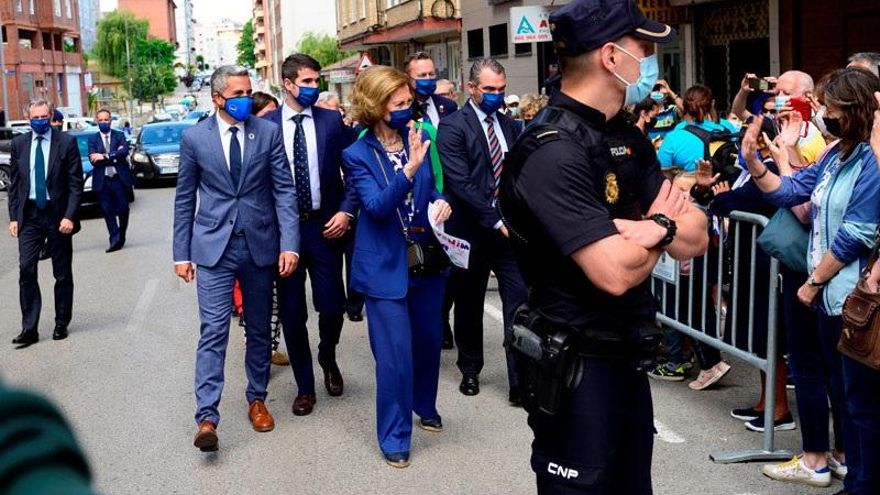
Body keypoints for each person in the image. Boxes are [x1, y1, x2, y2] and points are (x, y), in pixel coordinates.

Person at [499, 0, 709, 492]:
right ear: (611, 57)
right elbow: (614, 272)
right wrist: (662, 224)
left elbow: (696, 234)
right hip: (577, 369)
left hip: (629, 358)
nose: (652, 58)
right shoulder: (551, 150)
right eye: (643, 48)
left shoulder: (626, 138)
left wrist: (653, 229)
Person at [745, 67, 880, 495]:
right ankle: (856, 479)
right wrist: (754, 162)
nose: (825, 116)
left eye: (833, 110)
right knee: (846, 398)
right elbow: (791, 191)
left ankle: (864, 484)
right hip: (832, 302)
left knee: (863, 406)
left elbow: (858, 232)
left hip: (855, 298)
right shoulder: (836, 154)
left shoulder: (872, 161)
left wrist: (814, 281)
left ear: (856, 112)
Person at [172, 65, 299, 452]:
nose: (246, 98)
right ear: (217, 98)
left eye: (249, 91)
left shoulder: (268, 133)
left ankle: (256, 398)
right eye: (239, 92)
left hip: (259, 246)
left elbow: (284, 192)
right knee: (213, 331)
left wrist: (289, 244)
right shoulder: (195, 138)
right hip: (213, 248)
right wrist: (181, 253)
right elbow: (185, 198)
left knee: (259, 328)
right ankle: (206, 417)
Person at [342, 65, 452, 468]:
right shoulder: (356, 154)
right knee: (394, 359)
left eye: (411, 102)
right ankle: (394, 434)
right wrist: (407, 169)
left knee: (427, 344)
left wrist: (442, 201)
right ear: (376, 106)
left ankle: (424, 404)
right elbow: (375, 206)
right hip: (384, 267)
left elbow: (432, 187)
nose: (409, 109)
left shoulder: (417, 139)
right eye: (399, 103)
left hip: (426, 260)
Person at [263, 53, 356, 415]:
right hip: (284, 232)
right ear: (287, 84)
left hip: (324, 227)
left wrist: (346, 211)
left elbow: (356, 171)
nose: (313, 88)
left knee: (332, 304)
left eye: (316, 82)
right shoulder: (267, 126)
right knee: (291, 311)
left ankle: (327, 356)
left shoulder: (332, 122)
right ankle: (305, 386)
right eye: (306, 82)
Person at [437, 58, 529, 402]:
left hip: (508, 233)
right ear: (472, 88)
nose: (496, 95)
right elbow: (460, 182)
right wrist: (493, 218)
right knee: (469, 303)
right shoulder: (452, 126)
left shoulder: (510, 126)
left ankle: (519, 380)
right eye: (489, 89)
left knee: (518, 303)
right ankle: (470, 368)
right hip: (471, 230)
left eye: (501, 89)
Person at [8, 98, 83, 348]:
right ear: (28, 118)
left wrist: (69, 216)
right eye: (34, 117)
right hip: (29, 215)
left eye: (43, 117)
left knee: (61, 273)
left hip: (57, 214)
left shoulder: (66, 142)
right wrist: (13, 218)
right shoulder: (19, 144)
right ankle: (29, 328)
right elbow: (15, 185)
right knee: (26, 269)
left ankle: (61, 321)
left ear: (50, 116)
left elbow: (75, 183)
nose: (39, 121)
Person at [656, 84, 738, 190]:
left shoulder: (675, 136)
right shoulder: (728, 127)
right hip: (726, 190)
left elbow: (662, 176)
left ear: (685, 107)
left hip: (691, 197)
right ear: (712, 104)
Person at [88, 109, 133, 253]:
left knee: (123, 209)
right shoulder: (93, 139)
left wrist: (106, 156)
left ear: (110, 121)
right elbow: (94, 159)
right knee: (107, 211)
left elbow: (124, 152)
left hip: (119, 179)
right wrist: (114, 155)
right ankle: (114, 240)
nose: (103, 123)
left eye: (106, 120)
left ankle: (122, 234)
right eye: (100, 120)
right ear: (97, 121)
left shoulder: (119, 135)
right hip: (103, 180)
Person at [404, 51, 458, 127]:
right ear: (409, 78)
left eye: (431, 74)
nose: (428, 78)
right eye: (422, 75)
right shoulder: (404, 109)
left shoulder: (449, 105)